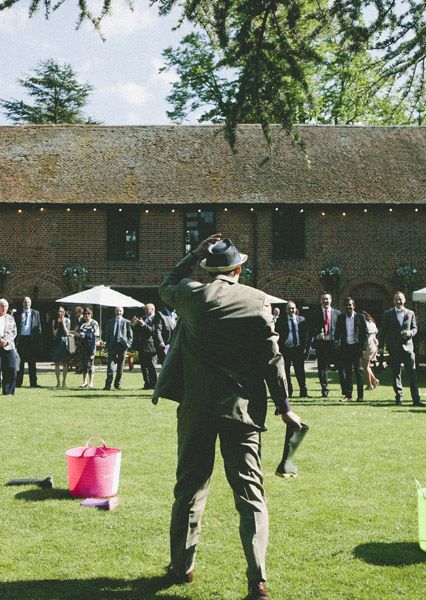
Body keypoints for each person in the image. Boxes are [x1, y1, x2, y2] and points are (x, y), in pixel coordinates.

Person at [153, 234, 301, 600]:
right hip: (242, 411)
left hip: (197, 407)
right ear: (240, 269)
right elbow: (272, 360)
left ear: (207, 269)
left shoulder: (191, 296)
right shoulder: (258, 302)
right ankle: (258, 580)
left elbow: (166, 284)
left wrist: (192, 252)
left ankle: (181, 567)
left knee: (189, 489)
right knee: (251, 496)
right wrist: (284, 407)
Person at [377, 291, 423, 406]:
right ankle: (399, 398)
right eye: (396, 299)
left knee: (412, 373)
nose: (398, 301)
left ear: (404, 300)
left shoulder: (410, 313)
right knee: (396, 373)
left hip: (408, 347)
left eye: (400, 299)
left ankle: (416, 399)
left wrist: (410, 333)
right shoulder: (388, 314)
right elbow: (383, 331)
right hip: (394, 347)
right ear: (393, 301)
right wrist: (381, 346)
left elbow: (415, 328)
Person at [335, 297, 368, 402]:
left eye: (350, 305)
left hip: (356, 348)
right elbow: (337, 333)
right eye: (346, 305)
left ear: (354, 306)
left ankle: (360, 396)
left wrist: (363, 347)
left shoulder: (360, 317)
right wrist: (337, 343)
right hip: (346, 348)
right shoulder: (341, 318)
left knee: (358, 372)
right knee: (348, 373)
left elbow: (365, 333)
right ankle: (348, 396)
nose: (348, 307)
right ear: (344, 307)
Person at [275, 301, 308, 398]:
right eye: (289, 308)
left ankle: (303, 391)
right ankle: (289, 391)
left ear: (296, 309)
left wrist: (304, 347)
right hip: (286, 350)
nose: (291, 310)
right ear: (286, 310)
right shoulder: (281, 321)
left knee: (300, 371)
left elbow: (305, 335)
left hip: (298, 349)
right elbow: (278, 335)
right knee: (286, 371)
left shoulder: (302, 320)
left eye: (293, 308)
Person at [313, 292, 343, 398]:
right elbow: (310, 328)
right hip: (321, 344)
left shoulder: (337, 313)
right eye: (323, 299)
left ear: (331, 300)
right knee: (322, 368)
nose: (325, 301)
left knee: (341, 366)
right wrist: (315, 335)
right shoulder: (315, 313)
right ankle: (324, 390)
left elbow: (341, 329)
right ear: (320, 301)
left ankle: (345, 391)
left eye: (327, 299)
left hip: (334, 344)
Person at [102, 306, 134, 390]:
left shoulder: (127, 322)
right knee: (110, 366)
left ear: (122, 312)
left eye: (120, 311)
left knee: (120, 367)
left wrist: (128, 344)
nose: (118, 313)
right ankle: (107, 385)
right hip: (112, 346)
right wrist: (106, 346)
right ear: (115, 312)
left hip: (122, 347)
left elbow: (130, 336)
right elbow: (107, 335)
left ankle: (117, 384)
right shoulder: (110, 322)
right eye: (117, 311)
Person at [15, 296, 42, 388]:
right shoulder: (17, 314)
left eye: (29, 302)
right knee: (20, 362)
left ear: (31, 304)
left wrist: (38, 341)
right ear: (22, 303)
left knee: (32, 362)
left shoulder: (36, 313)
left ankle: (33, 383)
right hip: (21, 340)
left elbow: (38, 328)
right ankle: (18, 382)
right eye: (25, 302)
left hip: (31, 340)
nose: (27, 304)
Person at [132, 303, 159, 390]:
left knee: (152, 367)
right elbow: (137, 331)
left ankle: (154, 384)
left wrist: (143, 324)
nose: (146, 311)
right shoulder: (143, 318)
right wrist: (133, 324)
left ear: (152, 309)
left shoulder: (157, 319)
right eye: (145, 309)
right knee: (143, 367)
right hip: (142, 346)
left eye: (147, 309)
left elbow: (153, 331)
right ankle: (147, 384)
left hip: (152, 346)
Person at [75, 308, 100, 389]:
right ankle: (84, 382)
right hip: (82, 346)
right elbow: (75, 332)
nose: (87, 315)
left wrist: (87, 334)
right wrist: (79, 335)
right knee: (84, 364)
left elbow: (97, 333)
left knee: (91, 364)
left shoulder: (94, 323)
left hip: (91, 346)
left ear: (91, 314)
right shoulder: (81, 322)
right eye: (85, 314)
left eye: (88, 314)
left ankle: (91, 382)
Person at [51, 306, 72, 388]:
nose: (60, 313)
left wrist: (63, 323)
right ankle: (58, 382)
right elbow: (54, 333)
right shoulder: (54, 321)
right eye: (59, 312)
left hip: (64, 342)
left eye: (62, 312)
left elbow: (67, 333)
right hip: (57, 342)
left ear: (64, 312)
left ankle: (64, 381)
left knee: (65, 363)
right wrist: (58, 324)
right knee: (57, 363)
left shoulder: (68, 320)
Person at [361, 311, 380, 390]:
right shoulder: (372, 323)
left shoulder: (365, 324)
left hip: (368, 346)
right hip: (374, 345)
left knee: (365, 366)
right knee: (366, 366)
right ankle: (374, 380)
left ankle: (370, 384)